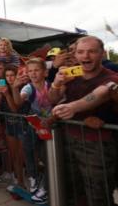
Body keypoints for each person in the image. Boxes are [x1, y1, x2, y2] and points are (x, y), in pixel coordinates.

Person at [49, 36, 118, 206]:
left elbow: (101, 93)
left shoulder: (112, 76)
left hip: (98, 146)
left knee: (98, 194)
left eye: (91, 51)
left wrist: (72, 107)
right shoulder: (73, 74)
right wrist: (56, 83)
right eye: (80, 52)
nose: (85, 56)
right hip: (67, 141)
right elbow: (52, 98)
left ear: (101, 54)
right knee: (72, 189)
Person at [12, 57, 52, 204]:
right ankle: (34, 178)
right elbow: (18, 102)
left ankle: (46, 186)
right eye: (30, 71)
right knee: (28, 151)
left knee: (47, 157)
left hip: (50, 127)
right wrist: (15, 88)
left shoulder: (51, 86)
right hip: (33, 126)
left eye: (36, 70)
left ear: (45, 72)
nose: (33, 74)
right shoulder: (28, 87)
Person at [0, 65, 24, 188]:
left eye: (12, 75)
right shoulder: (4, 89)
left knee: (22, 157)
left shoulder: (21, 88)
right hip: (10, 125)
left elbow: (15, 109)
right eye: (7, 76)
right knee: (14, 155)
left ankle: (26, 181)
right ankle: (19, 182)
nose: (10, 78)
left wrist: (7, 95)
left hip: (22, 125)